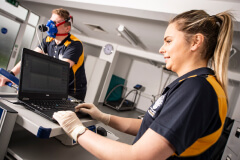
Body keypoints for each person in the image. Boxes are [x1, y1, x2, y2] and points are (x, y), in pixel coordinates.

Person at [53, 9, 233, 159]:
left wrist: (77, 130)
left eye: (168, 41)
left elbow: (139, 157)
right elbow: (152, 126)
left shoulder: (196, 89)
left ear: (195, 42)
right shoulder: (191, 84)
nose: (162, 49)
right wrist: (104, 117)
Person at [0, 8, 87, 101]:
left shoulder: (74, 44)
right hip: (55, 87)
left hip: (72, 91)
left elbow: (59, 70)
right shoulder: (48, 39)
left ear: (67, 28)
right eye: (50, 21)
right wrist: (10, 74)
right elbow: (28, 58)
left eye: (54, 22)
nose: (49, 25)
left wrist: (30, 86)